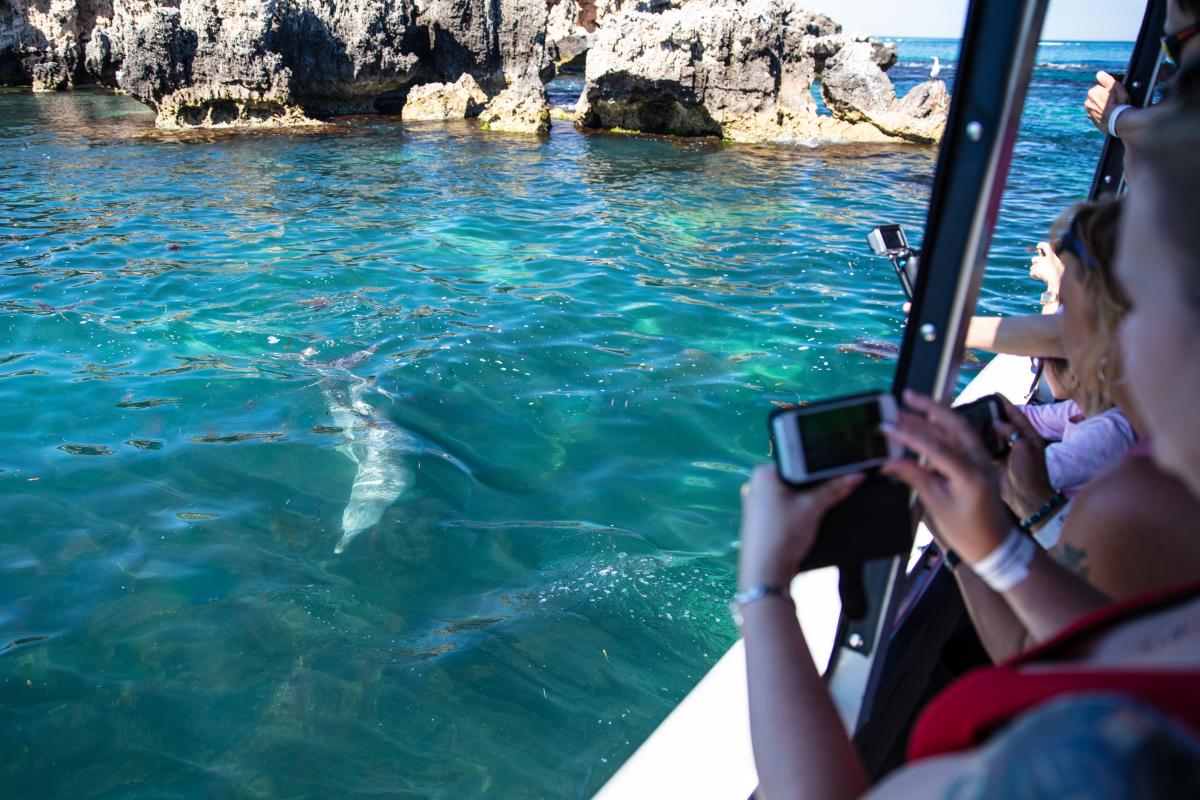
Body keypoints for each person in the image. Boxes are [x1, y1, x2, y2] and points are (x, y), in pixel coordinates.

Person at [738, 108, 1200, 799]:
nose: (1066, 341)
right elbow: (1108, 652)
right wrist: (984, 543)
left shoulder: (1143, 506)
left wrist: (766, 587)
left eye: (1072, 318)